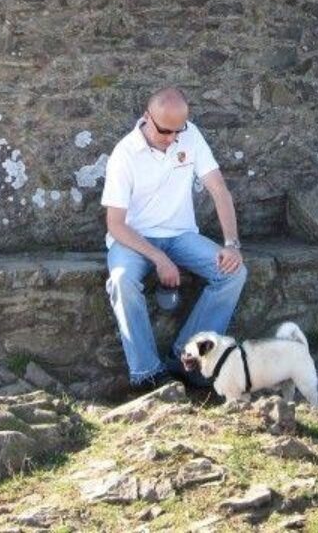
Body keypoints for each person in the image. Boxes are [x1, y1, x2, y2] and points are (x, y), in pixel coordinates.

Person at [101, 86, 247, 391]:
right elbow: (115, 224)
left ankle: (187, 357)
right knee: (122, 281)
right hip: (133, 239)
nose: (172, 138)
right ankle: (146, 374)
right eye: (165, 131)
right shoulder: (124, 154)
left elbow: (219, 189)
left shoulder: (190, 135)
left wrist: (231, 244)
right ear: (146, 117)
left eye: (177, 131)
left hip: (180, 236)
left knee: (234, 273)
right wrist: (158, 258)